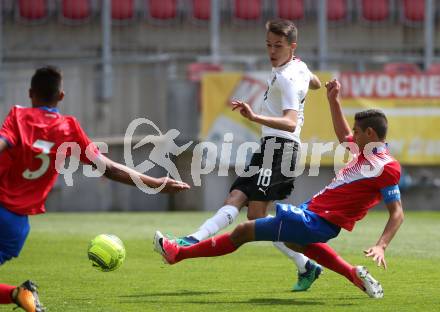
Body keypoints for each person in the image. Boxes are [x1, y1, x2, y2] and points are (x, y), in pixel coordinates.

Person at [154, 79, 404, 299]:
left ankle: (178, 253)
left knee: (243, 231)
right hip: (314, 215)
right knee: (296, 245)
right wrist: (333, 100)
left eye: (358, 132)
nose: (353, 136)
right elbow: (344, 136)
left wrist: (381, 245)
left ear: (370, 133)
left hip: (316, 221)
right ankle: (352, 274)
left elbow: (397, 213)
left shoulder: (386, 166)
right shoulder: (365, 150)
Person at [0, 66, 190, 312]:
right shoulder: (69, 128)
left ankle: (20, 294)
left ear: (30, 93)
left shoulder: (18, 116)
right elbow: (109, 168)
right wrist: (156, 184)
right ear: (61, 96)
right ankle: (18, 294)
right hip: (16, 226)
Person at [170, 19, 323, 292]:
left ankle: (306, 264)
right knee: (235, 197)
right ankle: (192, 239)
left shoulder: (288, 78)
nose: (272, 51)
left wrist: (255, 116)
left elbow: (290, 121)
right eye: (268, 44)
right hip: (268, 148)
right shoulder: (297, 66)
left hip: (281, 149)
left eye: (278, 46)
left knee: (256, 216)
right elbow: (316, 83)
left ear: (292, 46)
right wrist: (310, 81)